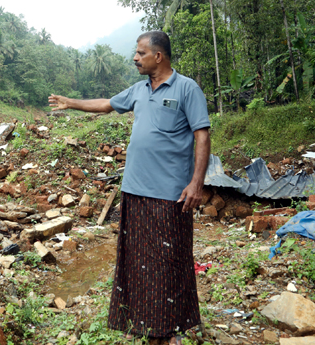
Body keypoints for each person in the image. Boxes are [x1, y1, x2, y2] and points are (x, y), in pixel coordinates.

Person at [48, 31, 211, 345]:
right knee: (138, 265)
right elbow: (107, 104)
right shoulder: (139, 90)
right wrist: (70, 103)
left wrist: (196, 183)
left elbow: (202, 136)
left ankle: (169, 330)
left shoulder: (187, 89)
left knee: (168, 264)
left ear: (158, 56)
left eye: (140, 53)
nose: (135, 58)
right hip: (134, 193)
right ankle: (148, 326)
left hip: (170, 196)